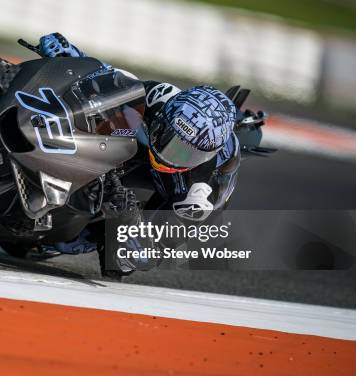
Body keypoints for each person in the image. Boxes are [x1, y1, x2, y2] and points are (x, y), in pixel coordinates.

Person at [36, 33, 240, 278]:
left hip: (172, 195)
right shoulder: (162, 98)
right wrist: (72, 55)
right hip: (135, 148)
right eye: (168, 138)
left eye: (183, 151)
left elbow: (142, 258)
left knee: (71, 243)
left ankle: (84, 233)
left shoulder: (199, 194)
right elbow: (111, 81)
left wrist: (126, 218)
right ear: (165, 116)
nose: (169, 154)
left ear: (204, 155)